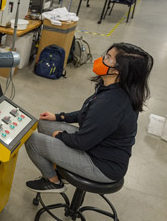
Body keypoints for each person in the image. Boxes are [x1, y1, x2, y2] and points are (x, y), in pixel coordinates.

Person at [24, 43, 153, 193]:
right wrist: (58, 117)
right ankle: (62, 166)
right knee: (45, 124)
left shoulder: (111, 103)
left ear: (118, 70)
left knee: (32, 140)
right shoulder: (111, 86)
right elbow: (86, 113)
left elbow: (82, 142)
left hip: (102, 166)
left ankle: (53, 181)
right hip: (97, 147)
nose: (101, 59)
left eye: (108, 58)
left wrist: (60, 136)